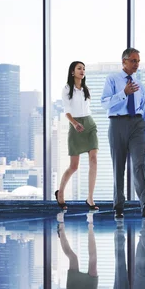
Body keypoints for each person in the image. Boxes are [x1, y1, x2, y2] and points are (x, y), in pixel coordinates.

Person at [101, 48, 145, 219]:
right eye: (133, 61)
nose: (136, 64)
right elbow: (104, 103)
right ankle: (119, 206)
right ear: (124, 61)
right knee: (119, 166)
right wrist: (123, 94)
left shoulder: (140, 85)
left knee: (139, 165)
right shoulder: (112, 79)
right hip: (117, 124)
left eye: (138, 61)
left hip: (137, 126)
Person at [55, 61, 99, 210]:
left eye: (84, 68)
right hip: (75, 125)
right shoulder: (67, 89)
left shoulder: (87, 89)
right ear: (72, 72)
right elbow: (67, 111)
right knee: (74, 166)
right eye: (79, 68)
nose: (82, 71)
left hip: (89, 124)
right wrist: (75, 123)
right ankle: (60, 193)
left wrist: (85, 123)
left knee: (94, 159)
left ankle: (90, 198)